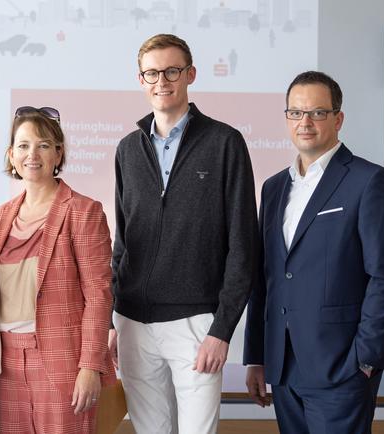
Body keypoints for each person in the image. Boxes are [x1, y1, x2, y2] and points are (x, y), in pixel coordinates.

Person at [110, 33, 259, 434]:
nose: (162, 81)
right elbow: (123, 241)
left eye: (172, 70)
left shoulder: (225, 142)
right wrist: (112, 320)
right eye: (152, 73)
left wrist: (222, 330)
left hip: (196, 324)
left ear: (190, 74)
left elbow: (243, 247)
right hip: (132, 323)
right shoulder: (127, 149)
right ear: (140, 80)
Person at [244, 71, 384, 434]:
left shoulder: (370, 181)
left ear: (338, 118)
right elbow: (265, 277)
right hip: (283, 366)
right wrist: (256, 357)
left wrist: (366, 359)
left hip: (342, 365)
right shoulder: (274, 187)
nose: (305, 122)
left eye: (317, 112)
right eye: (296, 113)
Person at [0, 106, 115, 434]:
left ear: (58, 153)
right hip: (6, 365)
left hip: (64, 364)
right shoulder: (1, 216)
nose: (33, 154)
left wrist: (90, 366)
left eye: (44, 145)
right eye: (24, 145)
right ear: (11, 155)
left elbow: (98, 296)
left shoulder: (84, 211)